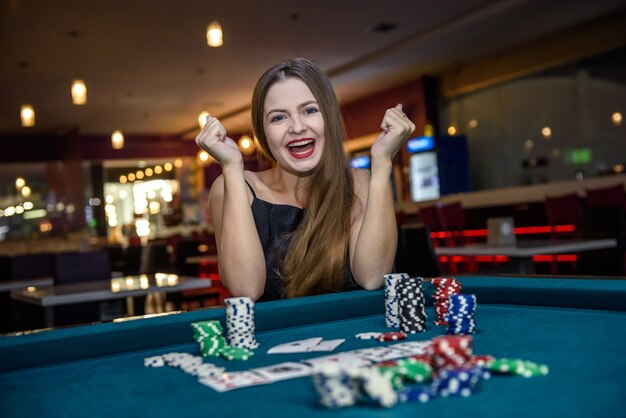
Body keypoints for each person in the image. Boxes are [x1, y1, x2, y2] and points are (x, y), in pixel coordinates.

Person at [195, 58, 415, 301]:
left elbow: (372, 276)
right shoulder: (234, 187)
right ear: (262, 133)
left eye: (309, 110)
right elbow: (245, 289)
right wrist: (231, 168)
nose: (297, 127)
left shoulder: (358, 183)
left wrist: (382, 162)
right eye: (278, 118)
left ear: (329, 117)